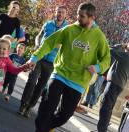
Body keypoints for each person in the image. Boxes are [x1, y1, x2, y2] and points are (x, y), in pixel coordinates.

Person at [26, 3, 111, 132]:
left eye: (82, 16)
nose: (78, 18)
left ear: (92, 17)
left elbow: (106, 59)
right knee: (46, 108)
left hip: (78, 82)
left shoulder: (99, 37)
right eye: (78, 14)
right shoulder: (69, 29)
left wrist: (98, 67)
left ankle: (46, 127)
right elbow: (49, 43)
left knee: (64, 116)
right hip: (60, 74)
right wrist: (34, 58)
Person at [18, 6, 68, 118]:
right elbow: (39, 36)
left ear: (65, 15)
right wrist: (37, 44)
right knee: (31, 81)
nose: (60, 14)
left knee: (41, 86)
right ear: (55, 12)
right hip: (39, 57)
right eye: (58, 12)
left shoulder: (68, 28)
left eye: (62, 13)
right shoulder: (48, 24)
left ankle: (29, 107)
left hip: (52, 62)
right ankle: (23, 105)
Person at [97, 43, 129, 132]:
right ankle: (103, 127)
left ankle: (102, 129)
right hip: (118, 84)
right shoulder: (125, 55)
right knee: (108, 106)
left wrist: (120, 45)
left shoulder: (125, 56)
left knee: (105, 106)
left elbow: (110, 49)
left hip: (114, 83)